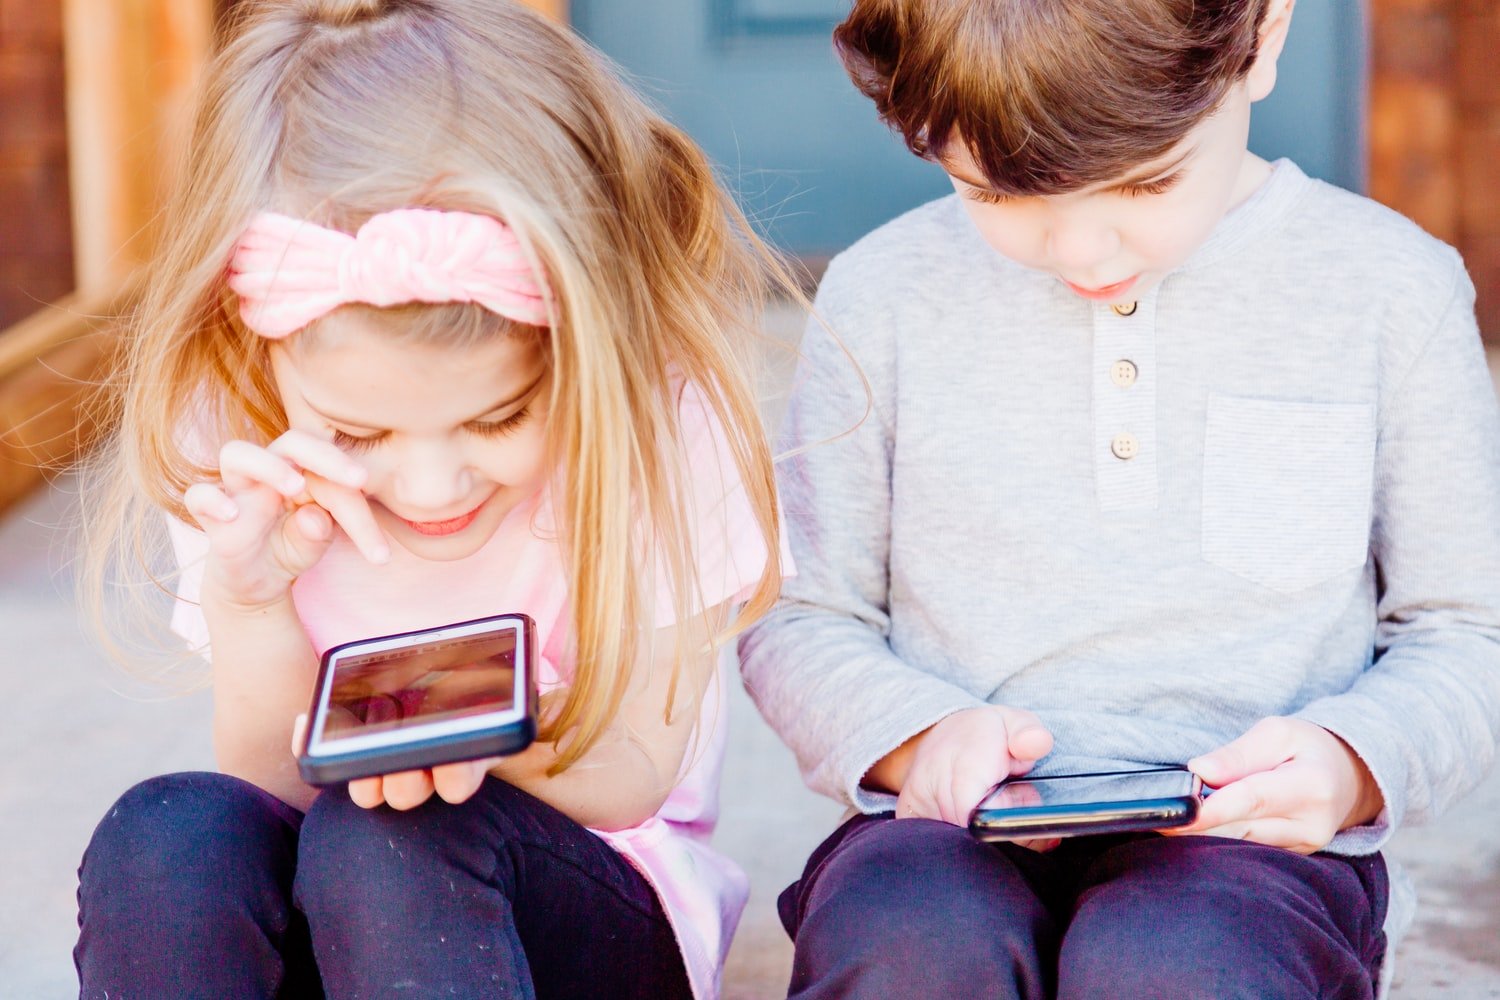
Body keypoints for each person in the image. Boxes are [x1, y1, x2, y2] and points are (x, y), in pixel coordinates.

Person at [738, 0, 1500, 996]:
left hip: (1253, 853)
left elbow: (1465, 631)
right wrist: (916, 739)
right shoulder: (880, 296)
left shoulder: (1392, 291)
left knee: (1174, 964)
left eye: (1145, 182)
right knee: (906, 945)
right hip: (946, 832)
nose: (1083, 253)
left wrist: (1353, 762)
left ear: (1264, 37)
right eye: (1000, 192)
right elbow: (801, 615)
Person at [73, 1, 793, 997]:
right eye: (358, 435)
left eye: (498, 418)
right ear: (257, 350)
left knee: (392, 836)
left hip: (584, 910)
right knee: (167, 835)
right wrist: (251, 601)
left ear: (588, 342)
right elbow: (271, 786)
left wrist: (473, 744)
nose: (429, 485)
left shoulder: (656, 423)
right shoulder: (238, 431)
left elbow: (634, 769)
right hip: (345, 923)